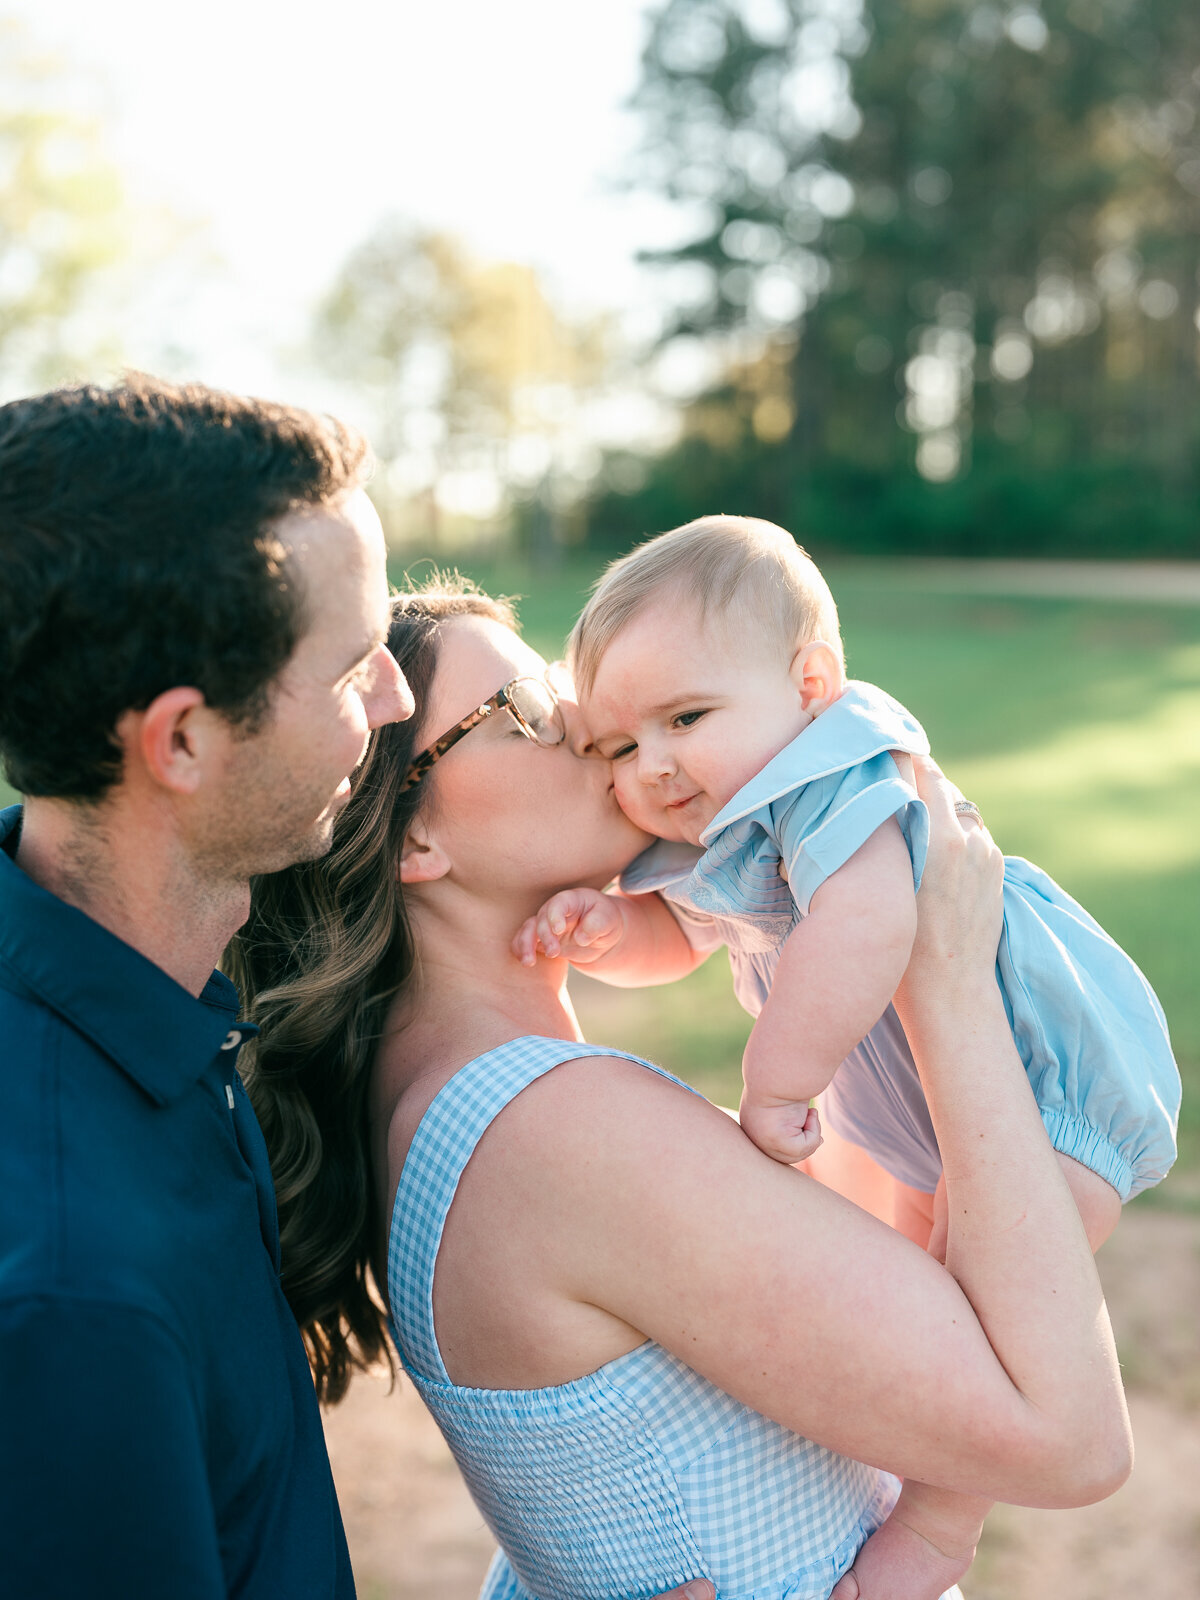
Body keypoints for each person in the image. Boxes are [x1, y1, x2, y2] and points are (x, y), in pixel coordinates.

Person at [229, 576, 1133, 1600]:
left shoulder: (439, 1110)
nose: (587, 726)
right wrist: (951, 981)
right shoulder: (561, 1130)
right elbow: (1067, 1435)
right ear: (412, 841)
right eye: (522, 709)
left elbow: (598, 1496)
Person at [0, 376, 709, 1600]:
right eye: (350, 670)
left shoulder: (150, 1009)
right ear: (180, 742)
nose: (390, 700)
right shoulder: (78, 1287)